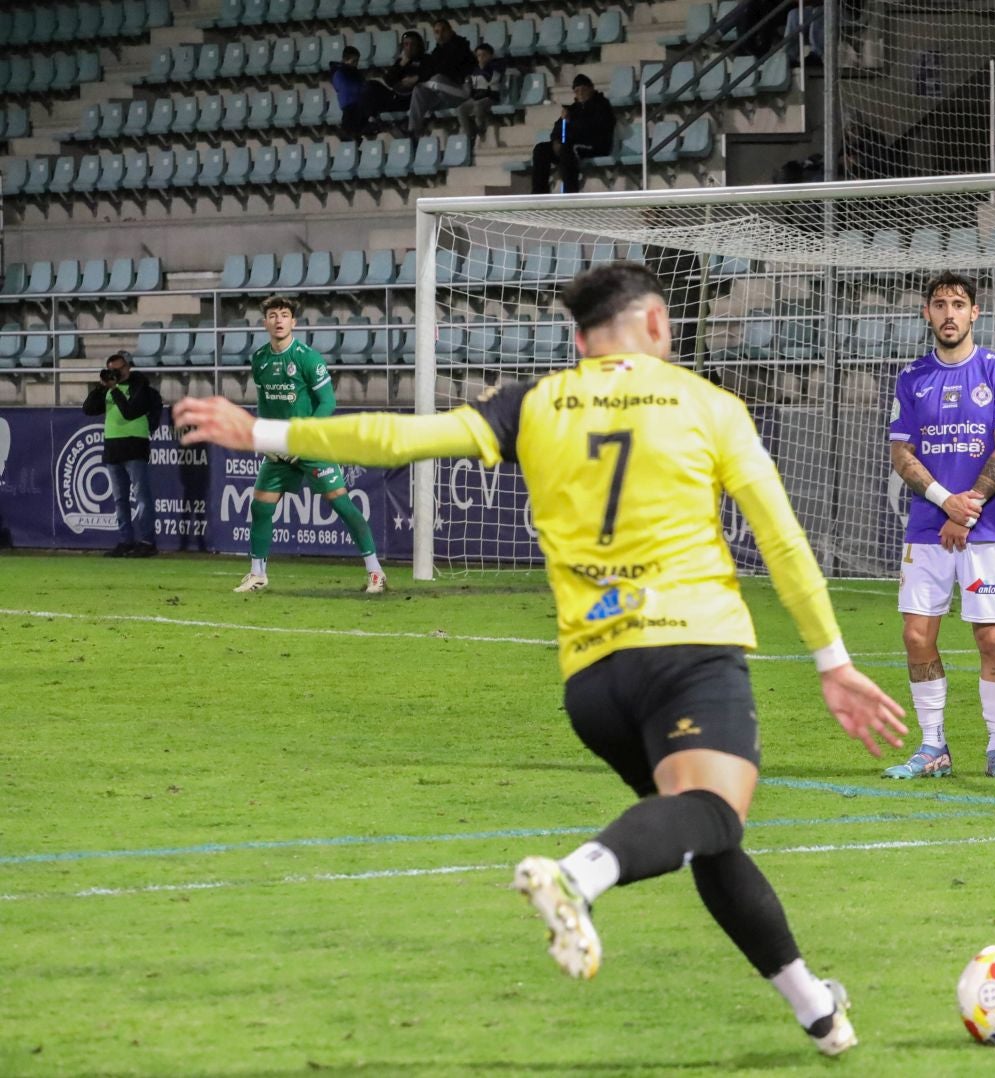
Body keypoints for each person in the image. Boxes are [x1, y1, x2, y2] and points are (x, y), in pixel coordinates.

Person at [171, 262, 907, 1058]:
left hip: (593, 679)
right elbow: (782, 539)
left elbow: (403, 436)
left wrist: (263, 433)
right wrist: (832, 659)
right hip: (687, 650)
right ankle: (579, 876)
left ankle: (816, 1010)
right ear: (657, 326)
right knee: (711, 814)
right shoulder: (709, 405)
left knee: (694, 829)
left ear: (578, 339)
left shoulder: (537, 402)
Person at [883, 271, 995, 780]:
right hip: (927, 527)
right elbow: (902, 453)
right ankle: (932, 746)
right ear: (927, 313)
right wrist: (948, 503)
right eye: (939, 304)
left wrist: (970, 508)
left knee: (991, 639)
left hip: (984, 530)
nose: (949, 313)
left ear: (974, 313)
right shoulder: (912, 376)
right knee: (917, 635)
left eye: (958, 304)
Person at [233, 296, 385, 594]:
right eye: (273, 315)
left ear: (294, 322)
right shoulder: (260, 359)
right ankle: (257, 574)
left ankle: (376, 572)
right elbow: (265, 402)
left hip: (310, 445)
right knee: (260, 507)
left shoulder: (307, 358)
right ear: (265, 322)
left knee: (341, 504)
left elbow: (328, 401)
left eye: (285, 315)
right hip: (279, 448)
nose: (278, 320)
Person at [82, 350, 163, 558]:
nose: (114, 374)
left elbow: (130, 412)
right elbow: (88, 409)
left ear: (127, 368)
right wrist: (101, 387)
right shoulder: (108, 390)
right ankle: (126, 540)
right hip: (113, 448)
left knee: (141, 497)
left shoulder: (141, 388)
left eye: (117, 370)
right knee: (120, 499)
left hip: (135, 446)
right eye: (111, 371)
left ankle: (147, 541)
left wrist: (115, 389)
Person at [530, 74, 614, 195]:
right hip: (572, 144)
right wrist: (556, 141)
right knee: (541, 149)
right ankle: (538, 194)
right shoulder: (573, 108)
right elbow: (558, 127)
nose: (580, 93)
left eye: (583, 89)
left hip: (595, 145)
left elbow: (593, 129)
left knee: (567, 149)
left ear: (591, 89)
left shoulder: (602, 105)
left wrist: (571, 122)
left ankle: (570, 194)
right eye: (577, 91)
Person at [407, 19, 476, 138]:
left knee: (436, 79)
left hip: (462, 92)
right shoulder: (437, 51)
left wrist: (420, 76)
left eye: (443, 31)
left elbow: (445, 69)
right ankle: (413, 131)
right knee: (419, 89)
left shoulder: (460, 46)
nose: (440, 35)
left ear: (450, 31)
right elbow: (429, 69)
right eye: (437, 32)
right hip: (444, 95)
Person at [455, 42, 507, 144]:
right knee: (460, 108)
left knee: (478, 105)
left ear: (490, 56)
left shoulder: (495, 66)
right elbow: (470, 85)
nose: (481, 58)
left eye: (484, 55)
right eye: (478, 55)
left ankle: (481, 130)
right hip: (477, 96)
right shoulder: (474, 69)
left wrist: (483, 67)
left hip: (490, 96)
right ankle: (469, 135)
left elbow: (489, 77)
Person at [330, 45, 374, 139]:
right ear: (345, 59)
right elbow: (349, 88)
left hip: (357, 106)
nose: (355, 65)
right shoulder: (341, 73)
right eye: (353, 61)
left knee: (355, 135)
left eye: (357, 62)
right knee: (349, 135)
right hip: (350, 106)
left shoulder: (349, 72)